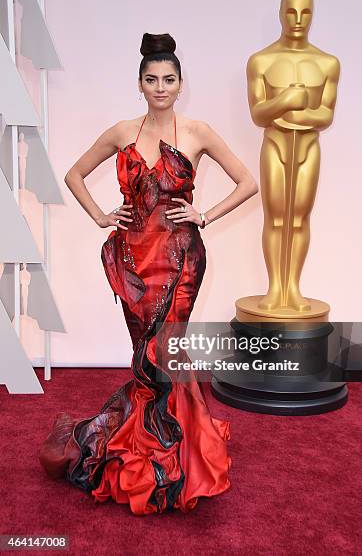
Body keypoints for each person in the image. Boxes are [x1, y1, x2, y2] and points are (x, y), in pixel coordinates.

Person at [38, 32, 258, 516]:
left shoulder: (197, 131)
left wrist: (205, 214)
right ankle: (152, 453)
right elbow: (75, 173)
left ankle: (176, 459)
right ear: (140, 84)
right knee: (145, 353)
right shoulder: (122, 131)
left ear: (181, 85)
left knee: (168, 353)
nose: (161, 87)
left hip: (181, 262)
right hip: (133, 264)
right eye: (152, 79)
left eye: (169, 79)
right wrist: (101, 216)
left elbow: (249, 181)